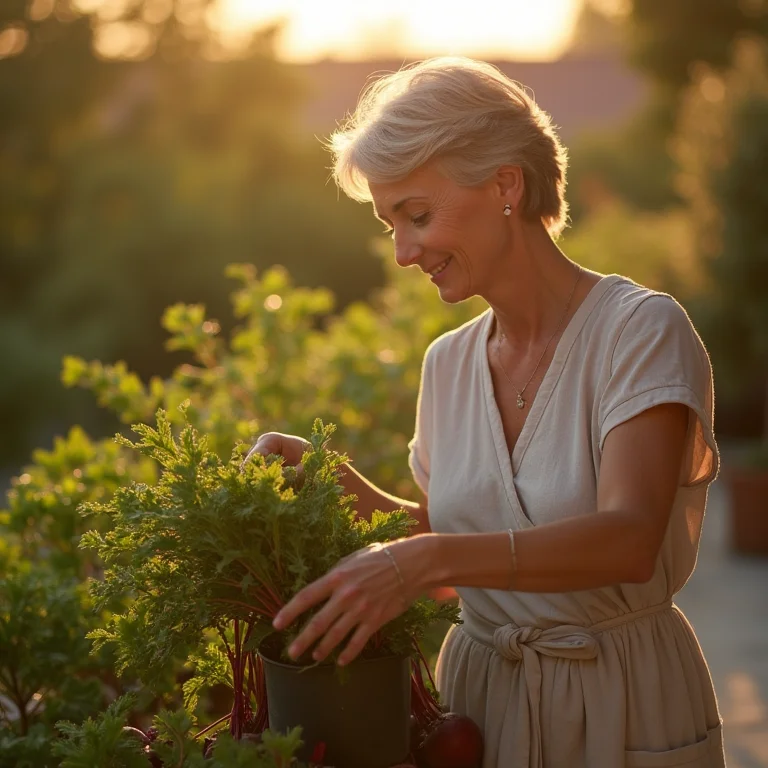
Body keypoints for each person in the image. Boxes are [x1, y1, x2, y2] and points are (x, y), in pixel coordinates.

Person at [249, 57, 725, 768]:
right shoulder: (448, 363)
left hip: (619, 698)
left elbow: (628, 539)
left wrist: (425, 557)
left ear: (506, 184)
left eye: (418, 215)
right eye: (391, 226)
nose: (406, 251)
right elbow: (455, 554)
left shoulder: (640, 331)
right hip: (478, 708)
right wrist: (330, 480)